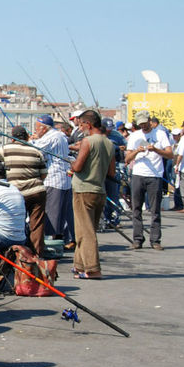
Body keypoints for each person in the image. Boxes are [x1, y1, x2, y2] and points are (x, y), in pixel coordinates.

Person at [0, 125, 47, 255]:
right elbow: (43, 174)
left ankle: (18, 254)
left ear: (12, 137)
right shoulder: (36, 151)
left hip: (16, 193)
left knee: (16, 222)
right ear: (26, 137)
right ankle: (36, 254)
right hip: (37, 191)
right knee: (37, 224)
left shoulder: (5, 149)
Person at [70, 110, 116, 279]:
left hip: (83, 190)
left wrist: (72, 164)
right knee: (84, 230)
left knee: (86, 232)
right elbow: (111, 172)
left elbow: (78, 167)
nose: (80, 128)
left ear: (88, 124)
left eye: (81, 124)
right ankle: (79, 265)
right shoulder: (109, 143)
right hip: (100, 191)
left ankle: (93, 269)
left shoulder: (88, 141)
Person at [125, 110, 173, 250]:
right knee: (136, 208)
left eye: (145, 124)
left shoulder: (160, 134)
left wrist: (156, 150)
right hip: (138, 174)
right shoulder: (135, 136)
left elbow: (170, 154)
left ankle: (155, 240)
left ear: (150, 121)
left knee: (155, 209)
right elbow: (127, 158)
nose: (143, 127)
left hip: (155, 175)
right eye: (141, 125)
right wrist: (137, 151)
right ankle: (138, 239)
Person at [32, 115, 74, 249]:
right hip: (63, 179)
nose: (35, 131)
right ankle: (59, 241)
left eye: (37, 128)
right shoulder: (59, 136)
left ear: (44, 129)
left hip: (54, 179)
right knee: (60, 213)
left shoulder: (52, 137)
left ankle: (52, 244)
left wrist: (29, 140)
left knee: (52, 213)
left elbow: (35, 150)